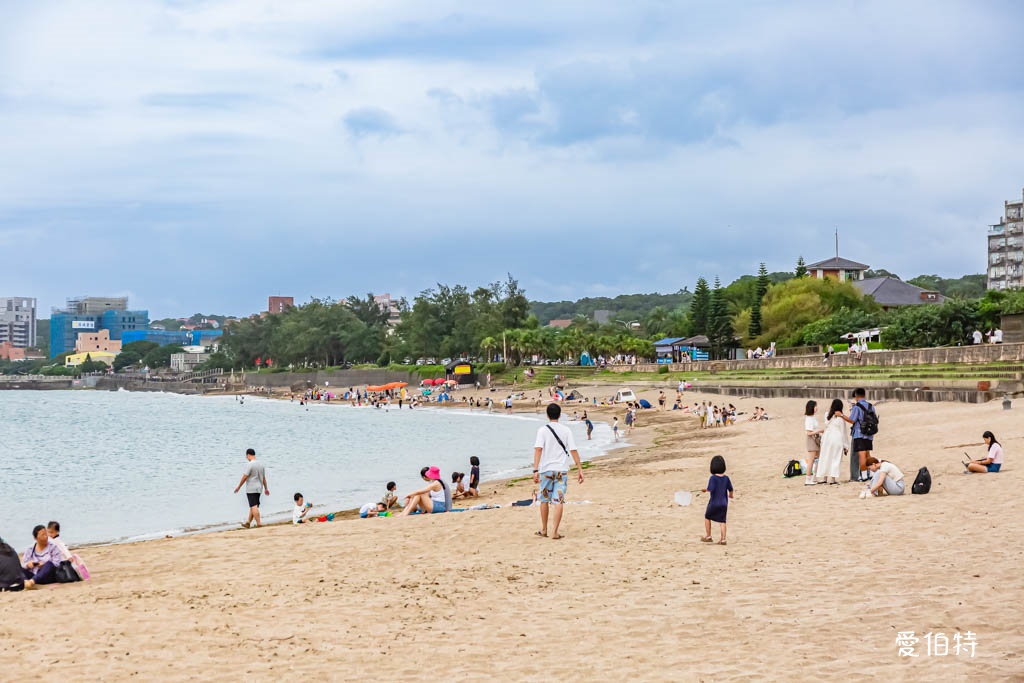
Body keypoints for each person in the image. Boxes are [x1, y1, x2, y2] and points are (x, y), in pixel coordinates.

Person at [532, 403, 584, 540]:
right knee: (558, 501)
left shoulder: (542, 430)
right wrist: (579, 469)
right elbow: (573, 450)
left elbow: (538, 449)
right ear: (559, 415)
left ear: (547, 415)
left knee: (544, 500)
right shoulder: (566, 430)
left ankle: (544, 529)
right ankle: (554, 532)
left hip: (546, 470)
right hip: (561, 470)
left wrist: (535, 470)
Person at [815, 398, 851, 485]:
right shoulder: (840, 417)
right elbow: (843, 432)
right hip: (837, 438)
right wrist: (846, 446)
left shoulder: (827, 415)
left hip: (827, 438)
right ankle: (832, 479)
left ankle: (824, 478)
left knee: (826, 457)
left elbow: (826, 426)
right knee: (835, 458)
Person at [700, 455, 734, 545]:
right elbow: (731, 489)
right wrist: (731, 495)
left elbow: (711, 488)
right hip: (724, 503)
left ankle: (708, 535)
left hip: (714, 503)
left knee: (707, 517)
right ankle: (723, 539)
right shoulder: (726, 478)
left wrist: (705, 490)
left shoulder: (713, 478)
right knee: (722, 521)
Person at [233, 448, 269, 528]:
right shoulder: (261, 464)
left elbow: (245, 476)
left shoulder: (250, 464)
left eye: (246, 456)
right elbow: (264, 478)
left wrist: (238, 486)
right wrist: (266, 488)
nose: (246, 458)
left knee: (253, 506)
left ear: (248, 455)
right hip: (259, 488)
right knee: (254, 506)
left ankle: (259, 524)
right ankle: (248, 522)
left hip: (251, 488)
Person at [849, 389, 876, 482]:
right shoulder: (871, 406)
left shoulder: (856, 407)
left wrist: (842, 416)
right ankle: (872, 474)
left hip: (859, 433)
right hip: (869, 433)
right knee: (868, 454)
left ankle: (864, 476)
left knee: (862, 455)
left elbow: (852, 420)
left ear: (856, 395)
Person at [803, 400, 823, 486]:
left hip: (816, 439)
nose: (816, 408)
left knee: (818, 459)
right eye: (815, 406)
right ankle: (808, 479)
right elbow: (809, 433)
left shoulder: (813, 417)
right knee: (811, 460)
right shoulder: (809, 419)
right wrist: (819, 431)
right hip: (812, 439)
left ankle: (814, 477)